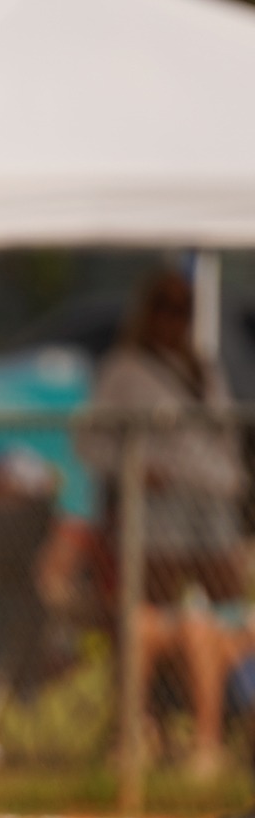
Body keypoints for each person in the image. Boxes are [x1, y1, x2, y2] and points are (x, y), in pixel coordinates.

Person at [81, 269, 249, 779]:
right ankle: (134, 739)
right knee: (149, 615)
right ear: (147, 312)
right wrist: (136, 470)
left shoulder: (203, 368)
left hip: (213, 507)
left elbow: (222, 443)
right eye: (165, 307)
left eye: (183, 309)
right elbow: (91, 442)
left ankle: (206, 749)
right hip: (160, 513)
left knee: (209, 615)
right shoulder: (126, 370)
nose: (173, 319)